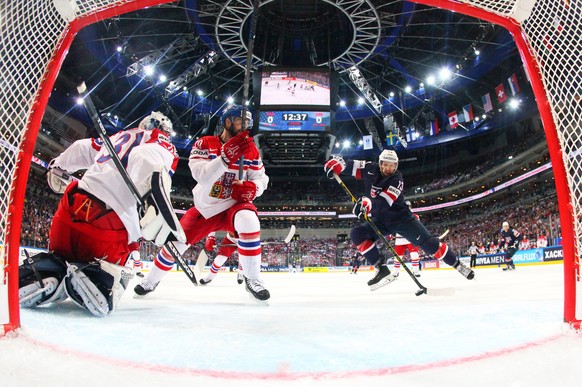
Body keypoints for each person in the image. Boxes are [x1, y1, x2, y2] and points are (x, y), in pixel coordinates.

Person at [19, 112, 186, 316]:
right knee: (111, 287)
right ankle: (94, 278)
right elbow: (146, 158)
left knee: (59, 258)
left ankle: (46, 271)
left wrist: (59, 166)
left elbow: (81, 147)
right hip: (108, 224)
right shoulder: (163, 143)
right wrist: (152, 197)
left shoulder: (118, 137)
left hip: (69, 210)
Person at [135, 105, 271, 302]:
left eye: (248, 123)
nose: (245, 127)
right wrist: (225, 158)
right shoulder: (205, 143)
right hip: (206, 207)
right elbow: (200, 175)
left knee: (249, 219)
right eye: (242, 121)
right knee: (177, 242)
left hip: (234, 205)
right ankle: (151, 280)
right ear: (227, 122)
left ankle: (254, 280)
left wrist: (253, 188)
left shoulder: (250, 151)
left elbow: (262, 179)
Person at [324, 150, 474, 290]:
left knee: (429, 244)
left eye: (392, 165)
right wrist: (338, 164)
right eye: (386, 164)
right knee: (357, 234)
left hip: (402, 219)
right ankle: (382, 269)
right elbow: (349, 165)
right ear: (380, 163)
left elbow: (384, 202)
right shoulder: (370, 168)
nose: (389, 168)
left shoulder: (397, 179)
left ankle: (458, 264)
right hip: (381, 220)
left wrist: (366, 204)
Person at [392, 200, 421, 277]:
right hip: (399, 239)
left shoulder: (415, 216)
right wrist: (392, 234)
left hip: (410, 239)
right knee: (397, 257)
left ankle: (416, 271)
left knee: (414, 255)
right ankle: (396, 272)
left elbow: (417, 227)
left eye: (408, 207)